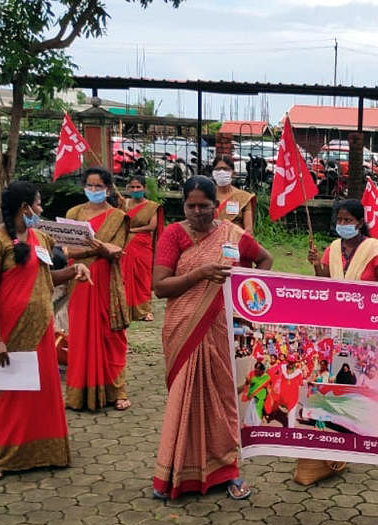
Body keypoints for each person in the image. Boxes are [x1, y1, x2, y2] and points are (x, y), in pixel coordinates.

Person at [151, 175, 272, 501]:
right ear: (183, 206)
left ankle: (228, 471)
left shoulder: (233, 234)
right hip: (184, 327)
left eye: (204, 205)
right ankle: (174, 473)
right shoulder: (173, 235)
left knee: (223, 401)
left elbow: (265, 258)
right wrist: (198, 275)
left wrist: (248, 292)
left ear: (215, 206)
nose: (198, 212)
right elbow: (160, 286)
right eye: (191, 206)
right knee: (184, 398)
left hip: (222, 327)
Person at [0, 182, 90, 481]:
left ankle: (47, 452)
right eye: (38, 205)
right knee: (9, 394)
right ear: (25, 207)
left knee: (41, 391)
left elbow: (45, 277)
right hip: (8, 332)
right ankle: (5, 457)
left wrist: (74, 271)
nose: (41, 210)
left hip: (41, 328)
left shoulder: (39, 237)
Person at [295, 199, 378, 486]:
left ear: (360, 222)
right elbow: (325, 282)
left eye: (349, 220)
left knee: (356, 381)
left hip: (364, 324)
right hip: (336, 323)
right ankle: (337, 440)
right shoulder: (332, 249)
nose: (343, 224)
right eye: (340, 219)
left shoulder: (375, 250)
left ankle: (358, 436)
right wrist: (316, 266)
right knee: (336, 379)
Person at [64, 167, 131, 411]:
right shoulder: (74, 213)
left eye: (98, 186)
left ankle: (117, 391)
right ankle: (78, 395)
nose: (93, 190)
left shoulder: (118, 217)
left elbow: (118, 250)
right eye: (89, 186)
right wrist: (99, 248)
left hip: (105, 280)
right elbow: (66, 249)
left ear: (108, 189)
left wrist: (90, 248)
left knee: (110, 334)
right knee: (81, 334)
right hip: (79, 279)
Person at [121, 175, 163, 322]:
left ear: (144, 188)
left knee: (142, 277)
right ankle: (124, 309)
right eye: (132, 187)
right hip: (125, 244)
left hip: (143, 245)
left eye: (138, 187)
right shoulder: (124, 204)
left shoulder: (152, 206)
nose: (135, 189)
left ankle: (144, 311)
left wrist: (132, 231)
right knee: (124, 276)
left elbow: (152, 226)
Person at [211, 155, 256, 234]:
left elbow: (248, 230)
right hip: (210, 242)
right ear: (213, 173)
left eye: (225, 169)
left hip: (235, 242)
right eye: (218, 169)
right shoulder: (207, 195)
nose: (221, 172)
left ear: (233, 173)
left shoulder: (243, 197)